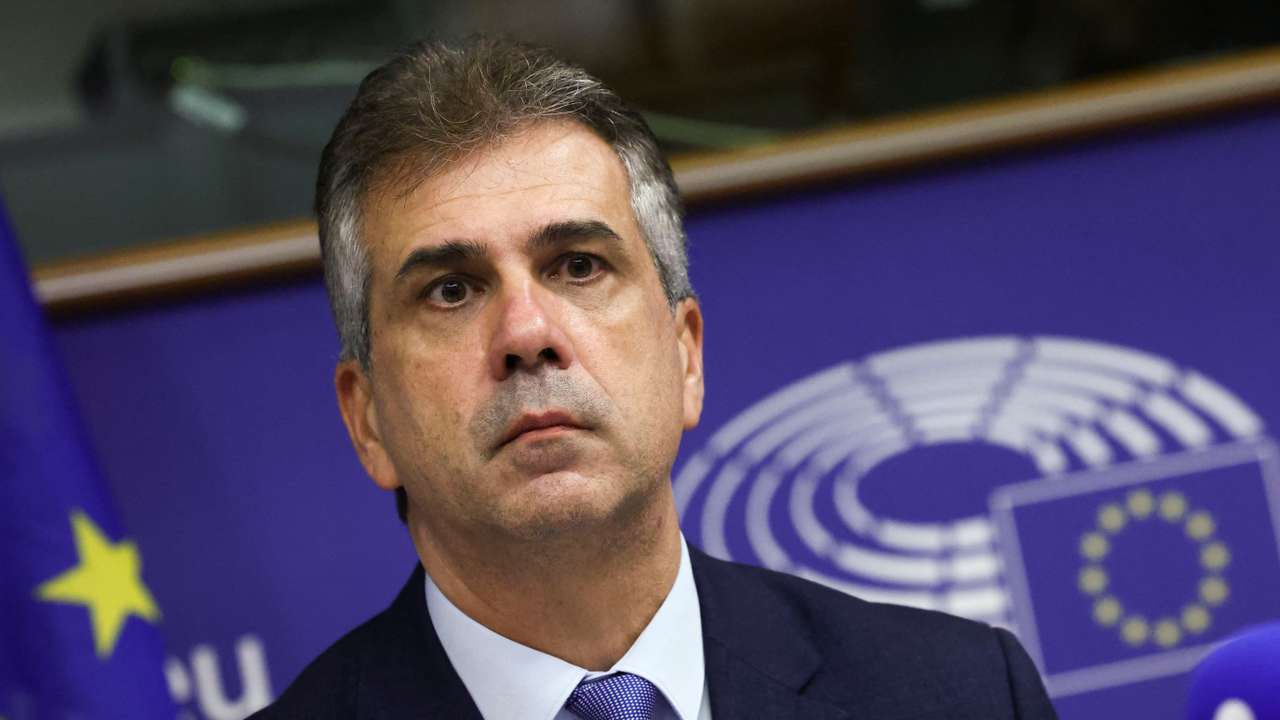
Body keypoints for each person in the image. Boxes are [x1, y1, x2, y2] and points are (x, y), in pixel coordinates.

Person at [253, 37, 1057, 720]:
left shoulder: (962, 696)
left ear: (686, 355)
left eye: (577, 265)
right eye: (452, 289)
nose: (527, 335)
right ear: (367, 422)